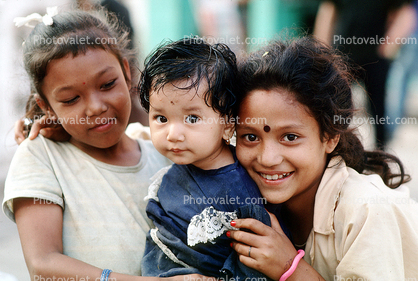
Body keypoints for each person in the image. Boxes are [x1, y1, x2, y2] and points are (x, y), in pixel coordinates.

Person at [3, 8, 211, 281]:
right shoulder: (42, 156)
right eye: (70, 100)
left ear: (126, 72)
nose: (95, 107)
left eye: (107, 84)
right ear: (46, 106)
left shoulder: (162, 149)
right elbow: (44, 266)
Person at [228, 36, 418, 280]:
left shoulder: (366, 210)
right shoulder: (245, 201)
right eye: (250, 137)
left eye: (290, 137)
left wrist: (290, 267)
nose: (268, 158)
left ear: (330, 137)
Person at [138, 37, 273, 279]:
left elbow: (255, 260)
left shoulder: (242, 190)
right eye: (161, 118)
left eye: (192, 119)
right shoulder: (180, 166)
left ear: (228, 123)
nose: (173, 134)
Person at [314, 0, 415, 149]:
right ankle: (330, 144)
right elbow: (327, 11)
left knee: (378, 107)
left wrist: (390, 44)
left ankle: (381, 151)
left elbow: (407, 13)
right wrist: (322, 49)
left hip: (375, 57)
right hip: (343, 55)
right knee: (333, 102)